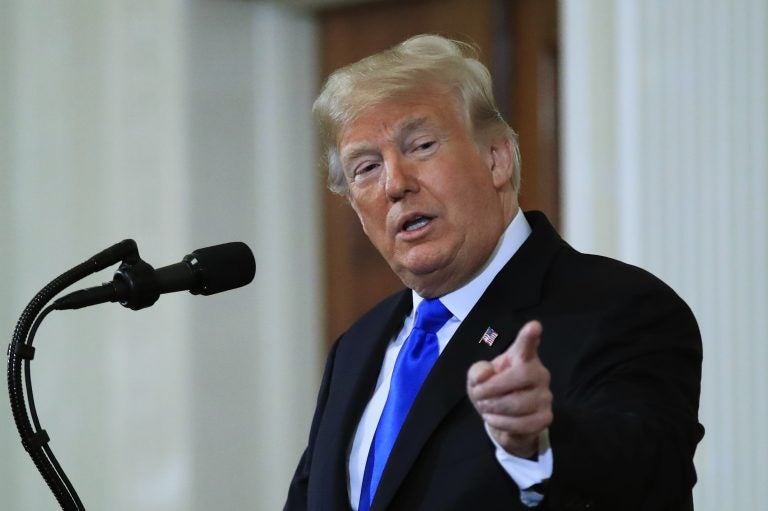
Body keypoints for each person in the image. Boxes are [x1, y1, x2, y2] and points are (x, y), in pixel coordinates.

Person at [285, 34, 703, 511]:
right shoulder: (357, 347)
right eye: (366, 167)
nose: (395, 184)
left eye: (421, 145)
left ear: (496, 158)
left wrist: (538, 441)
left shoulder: (618, 308)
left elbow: (649, 471)